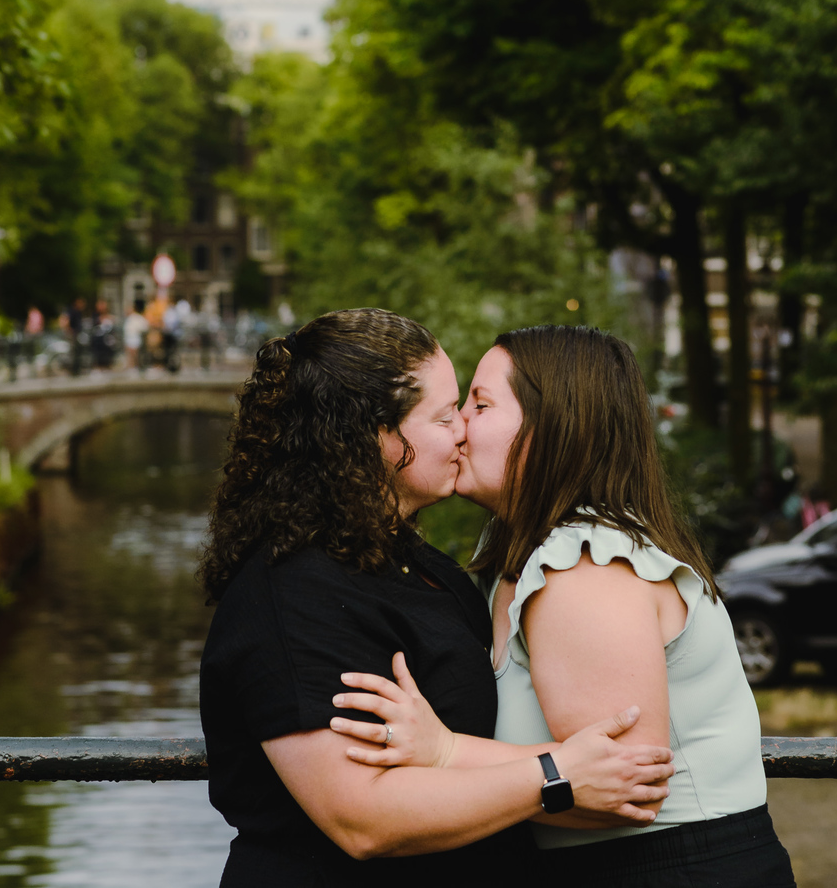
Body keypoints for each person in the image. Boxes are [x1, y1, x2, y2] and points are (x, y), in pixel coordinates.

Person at [198, 309, 676, 887]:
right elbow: (361, 820)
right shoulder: (292, 591)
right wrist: (554, 774)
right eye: (445, 415)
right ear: (375, 435)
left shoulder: (424, 568)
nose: (463, 431)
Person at [334, 326, 794, 888]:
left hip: (672, 869)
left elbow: (623, 788)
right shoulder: (512, 555)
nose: (458, 426)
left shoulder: (586, 567)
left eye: (479, 405)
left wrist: (446, 751)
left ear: (551, 428)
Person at [123, 296, 149, 371]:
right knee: (129, 354)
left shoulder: (138, 317)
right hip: (129, 338)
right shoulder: (129, 318)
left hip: (136, 338)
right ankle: (131, 368)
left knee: (134, 354)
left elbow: (145, 327)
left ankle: (135, 367)